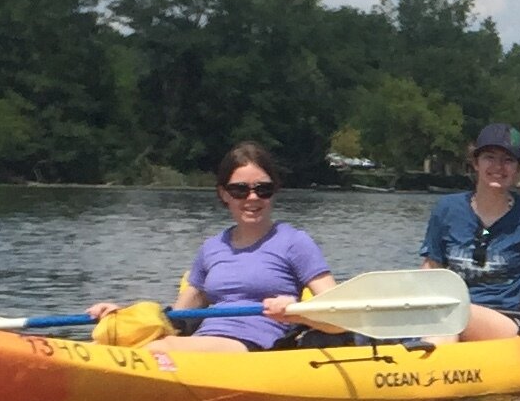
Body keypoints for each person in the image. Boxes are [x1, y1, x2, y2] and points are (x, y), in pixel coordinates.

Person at [91, 142, 339, 347]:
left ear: (274, 191)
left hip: (256, 344)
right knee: (129, 342)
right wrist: (123, 318)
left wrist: (296, 311)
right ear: (224, 194)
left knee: (160, 349)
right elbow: (175, 319)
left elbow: (339, 316)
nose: (252, 197)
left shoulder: (294, 242)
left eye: (263, 189)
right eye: (240, 190)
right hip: (205, 342)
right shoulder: (212, 248)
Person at [419, 122, 520, 343]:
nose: (498, 166)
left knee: (455, 313)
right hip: (448, 319)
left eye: (508, 160)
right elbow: (431, 270)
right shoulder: (446, 209)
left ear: (518, 168)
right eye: (490, 157)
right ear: (475, 163)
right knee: (446, 317)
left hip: (511, 321)